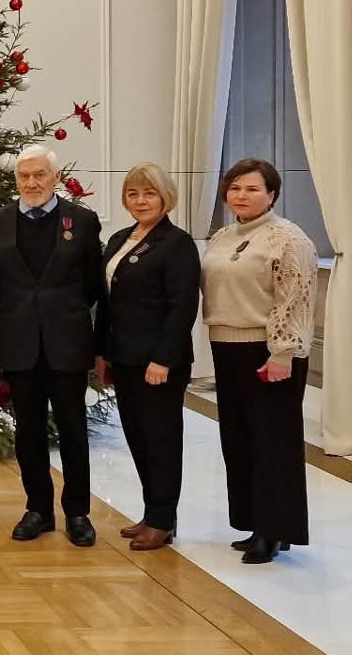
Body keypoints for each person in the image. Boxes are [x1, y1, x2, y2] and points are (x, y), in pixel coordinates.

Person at [0, 145, 105, 547]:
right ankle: (38, 508)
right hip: (19, 341)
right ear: (16, 179)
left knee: (72, 429)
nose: (31, 183)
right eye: (24, 176)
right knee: (29, 430)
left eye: (39, 175)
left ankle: (77, 512)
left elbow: (91, 285)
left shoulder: (82, 221)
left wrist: (59, 312)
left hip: (66, 341)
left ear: (55, 177)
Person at [202, 158, 317, 565]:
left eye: (252, 189)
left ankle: (275, 531)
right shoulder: (223, 236)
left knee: (273, 443)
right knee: (241, 440)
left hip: (268, 352)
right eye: (235, 188)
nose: (242, 196)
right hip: (227, 346)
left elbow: (296, 298)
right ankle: (256, 523)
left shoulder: (288, 238)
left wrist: (283, 352)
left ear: (271, 194)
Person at [95, 162, 200, 552]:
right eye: (133, 194)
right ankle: (151, 512)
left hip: (158, 362)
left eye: (149, 193)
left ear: (165, 197)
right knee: (138, 437)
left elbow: (182, 306)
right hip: (124, 357)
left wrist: (164, 358)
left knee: (161, 440)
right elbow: (108, 304)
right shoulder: (121, 238)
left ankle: (163, 519)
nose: (140, 201)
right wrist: (102, 352)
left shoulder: (177, 243)